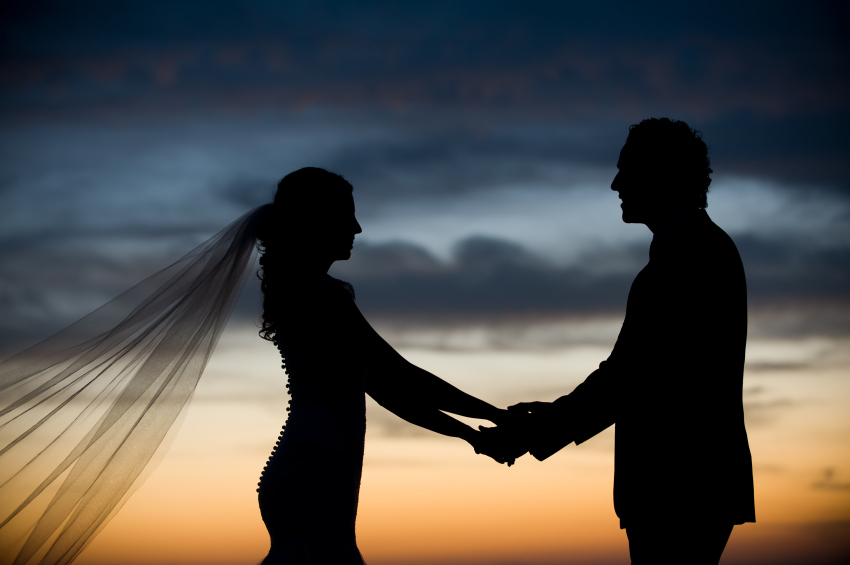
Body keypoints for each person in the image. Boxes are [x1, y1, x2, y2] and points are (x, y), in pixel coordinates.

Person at [0, 167, 514, 565]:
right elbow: (399, 373)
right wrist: (498, 418)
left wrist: (474, 433)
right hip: (315, 469)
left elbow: (383, 388)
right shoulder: (322, 297)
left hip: (311, 465)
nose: (358, 227)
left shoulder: (304, 292)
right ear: (316, 222)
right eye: (346, 214)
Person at [488, 118, 756, 564]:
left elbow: (633, 377)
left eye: (626, 171)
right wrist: (550, 419)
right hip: (686, 484)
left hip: (680, 484)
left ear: (661, 175)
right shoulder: (693, 252)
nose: (615, 184)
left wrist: (542, 428)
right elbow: (634, 375)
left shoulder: (691, 257)